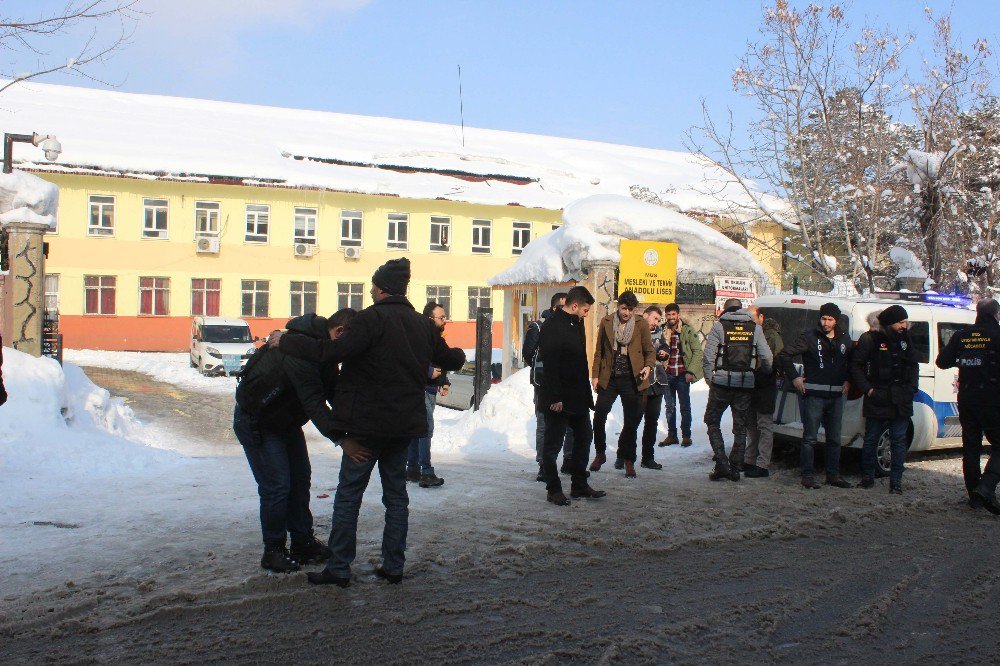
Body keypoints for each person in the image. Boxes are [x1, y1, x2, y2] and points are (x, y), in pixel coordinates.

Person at [275, 257, 466, 586]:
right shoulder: (422, 325)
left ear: (379, 289)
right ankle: (394, 565)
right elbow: (450, 357)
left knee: (349, 495)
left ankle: (339, 567)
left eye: (372, 287)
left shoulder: (369, 319)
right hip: (403, 426)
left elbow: (330, 353)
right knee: (396, 497)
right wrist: (457, 355)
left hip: (365, 427)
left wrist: (286, 341)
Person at [232, 309, 356, 574]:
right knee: (277, 486)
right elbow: (314, 402)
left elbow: (334, 392)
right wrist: (342, 439)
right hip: (258, 421)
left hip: (283, 421)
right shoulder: (300, 351)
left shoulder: (321, 350)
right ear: (340, 332)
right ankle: (273, 550)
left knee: (300, 480)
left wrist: (356, 423)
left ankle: (302, 542)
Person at [537, 285, 606, 505]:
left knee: (584, 437)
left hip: (578, 396)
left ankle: (579, 484)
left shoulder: (577, 322)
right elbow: (551, 364)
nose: (587, 314)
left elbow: (579, 362)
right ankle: (553, 489)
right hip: (558, 398)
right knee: (552, 447)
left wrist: (586, 393)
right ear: (574, 305)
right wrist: (555, 397)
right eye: (585, 310)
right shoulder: (552, 326)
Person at [776, 302, 853, 490]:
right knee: (810, 438)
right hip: (814, 395)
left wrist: (849, 379)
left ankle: (833, 475)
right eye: (824, 318)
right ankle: (807, 475)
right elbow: (784, 356)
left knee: (834, 439)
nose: (826, 323)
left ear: (836, 320)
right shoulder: (809, 337)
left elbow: (851, 361)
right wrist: (794, 377)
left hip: (836, 396)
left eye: (830, 319)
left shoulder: (844, 339)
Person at [935, 297, 1000, 513]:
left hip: (967, 398)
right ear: (996, 314)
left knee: (971, 448)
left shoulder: (962, 336)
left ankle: (975, 497)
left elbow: (942, 362)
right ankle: (986, 487)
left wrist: (965, 360)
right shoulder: (997, 334)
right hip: (993, 399)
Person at [849, 304, 919, 494]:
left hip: (901, 399)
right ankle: (867, 478)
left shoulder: (906, 339)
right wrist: (869, 390)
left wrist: (912, 388)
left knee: (898, 441)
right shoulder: (870, 339)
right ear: (889, 323)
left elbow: (913, 365)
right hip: (878, 396)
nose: (904, 326)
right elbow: (856, 366)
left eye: (905, 322)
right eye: (900, 322)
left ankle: (895, 482)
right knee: (871, 439)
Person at [702, 298, 773, 482]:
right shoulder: (755, 328)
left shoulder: (719, 327)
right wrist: (759, 374)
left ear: (725, 310)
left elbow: (708, 357)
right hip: (745, 385)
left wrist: (711, 380)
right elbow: (767, 358)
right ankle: (735, 468)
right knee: (740, 427)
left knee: (712, 421)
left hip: (722, 384)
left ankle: (722, 464)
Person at [589, 290, 655, 477]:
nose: (626, 313)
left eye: (630, 310)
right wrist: (595, 376)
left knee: (631, 421)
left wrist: (648, 367)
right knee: (599, 416)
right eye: (624, 308)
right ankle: (600, 453)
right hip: (609, 377)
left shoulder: (641, 324)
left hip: (632, 378)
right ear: (618, 306)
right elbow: (599, 352)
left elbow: (650, 351)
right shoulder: (607, 322)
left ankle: (628, 460)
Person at [522, 292, 574, 481]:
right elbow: (527, 354)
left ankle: (568, 460)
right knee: (544, 423)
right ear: (553, 308)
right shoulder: (538, 326)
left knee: (570, 424)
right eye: (561, 307)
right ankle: (544, 465)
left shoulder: (572, 326)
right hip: (543, 384)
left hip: (566, 383)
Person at [405, 301, 452, 489]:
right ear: (430, 318)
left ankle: (413, 468)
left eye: (444, 317)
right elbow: (410, 359)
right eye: (441, 317)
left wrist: (444, 381)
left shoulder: (433, 337)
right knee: (425, 429)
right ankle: (425, 472)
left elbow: (439, 359)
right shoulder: (419, 336)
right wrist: (427, 372)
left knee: (418, 429)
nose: (444, 320)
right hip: (420, 388)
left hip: (429, 388)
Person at [656, 302, 703, 448]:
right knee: (670, 406)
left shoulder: (688, 330)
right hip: (667, 374)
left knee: (685, 406)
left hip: (683, 374)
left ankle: (686, 436)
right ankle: (672, 436)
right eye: (668, 314)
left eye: (673, 314)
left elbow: (697, 351)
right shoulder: (662, 330)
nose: (670, 317)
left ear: (678, 315)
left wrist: (691, 371)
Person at [743, 305, 783, 478]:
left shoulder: (772, 336)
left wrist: (766, 372)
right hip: (750, 384)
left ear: (761, 318)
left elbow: (778, 360)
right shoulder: (748, 332)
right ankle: (749, 459)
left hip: (765, 385)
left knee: (764, 425)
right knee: (751, 425)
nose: (750, 322)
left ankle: (762, 464)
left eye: (752, 319)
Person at [639, 305, 666, 469]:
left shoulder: (658, 331)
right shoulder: (634, 329)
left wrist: (664, 351)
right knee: (632, 421)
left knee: (652, 421)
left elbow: (663, 345)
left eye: (658, 320)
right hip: (640, 381)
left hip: (657, 381)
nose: (656, 323)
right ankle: (624, 455)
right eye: (655, 318)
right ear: (645, 315)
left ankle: (647, 457)